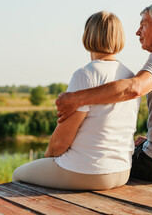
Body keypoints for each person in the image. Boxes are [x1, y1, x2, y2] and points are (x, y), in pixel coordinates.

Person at [56, 2, 152, 182]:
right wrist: (149, 141)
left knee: (107, 163)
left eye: (143, 25)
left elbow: (134, 88)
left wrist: (76, 98)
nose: (138, 32)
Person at [12, 11, 140, 190]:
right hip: (122, 172)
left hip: (88, 172)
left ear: (88, 36)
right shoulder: (130, 76)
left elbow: (60, 143)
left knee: (18, 174)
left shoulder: (85, 75)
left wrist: (48, 157)